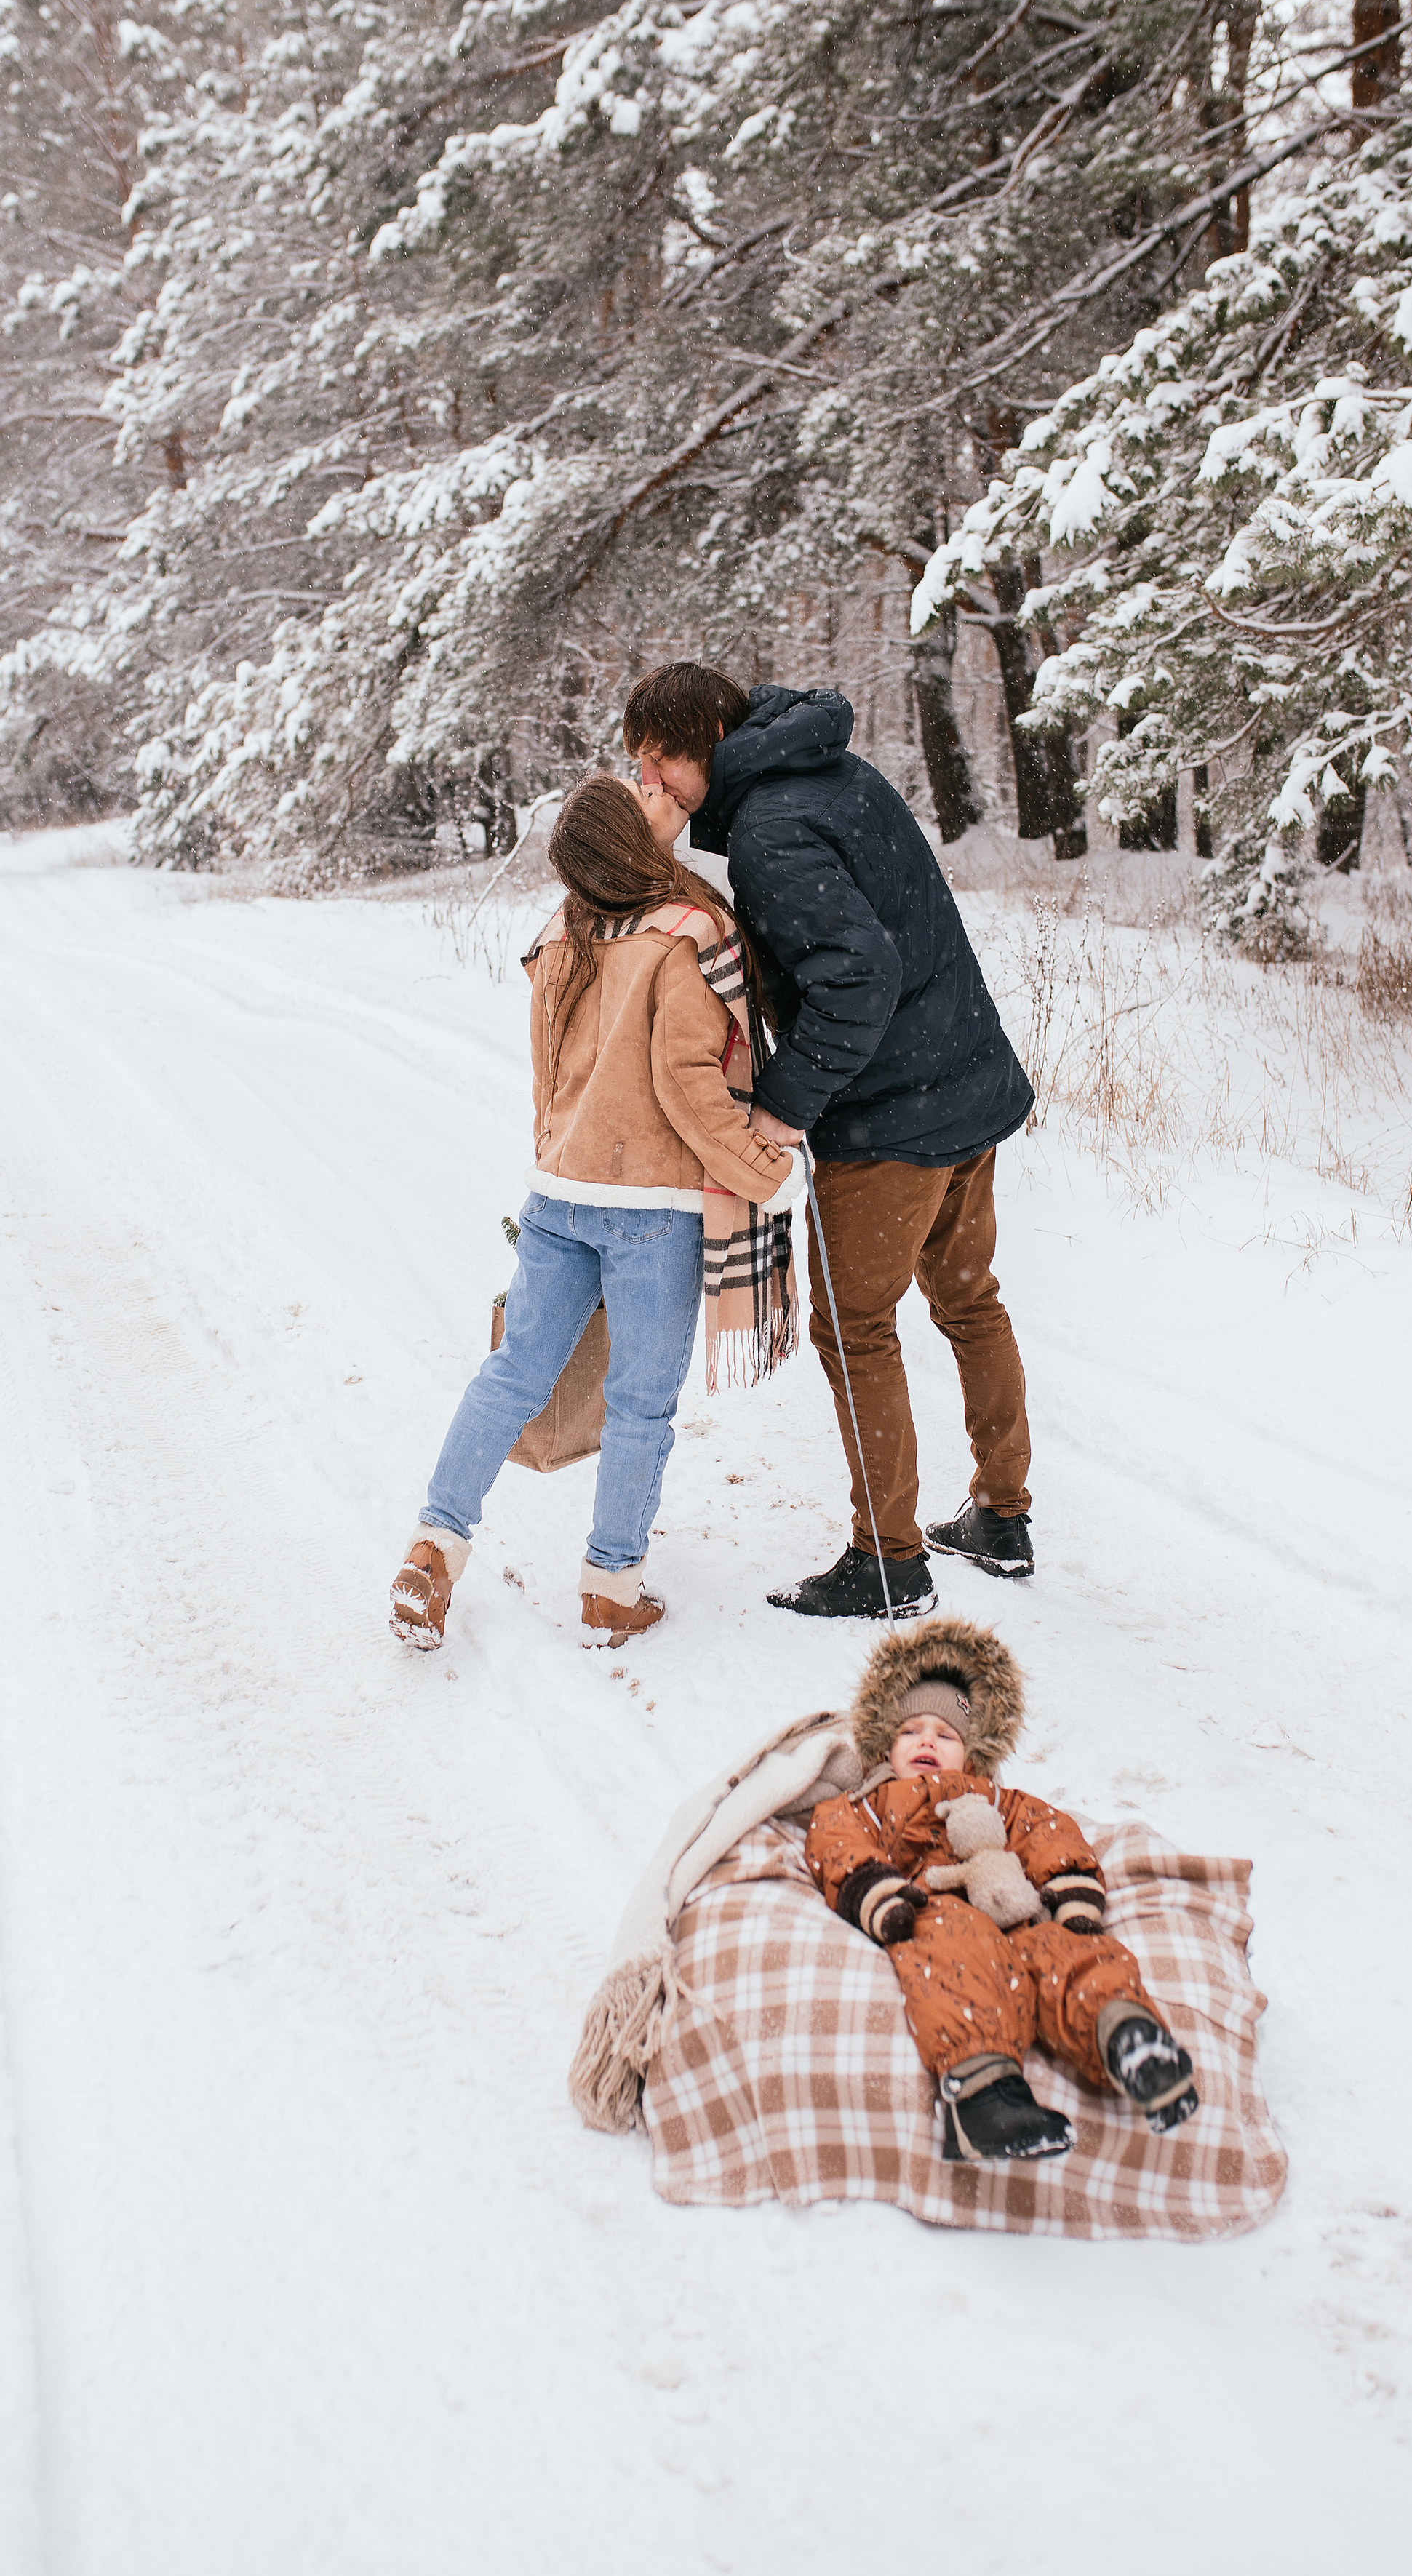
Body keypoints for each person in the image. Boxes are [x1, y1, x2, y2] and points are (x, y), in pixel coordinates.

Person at [624, 660, 1037, 1618]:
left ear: (675, 750)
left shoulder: (768, 832)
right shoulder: (824, 772)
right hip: (964, 1081)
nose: (651, 787)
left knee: (854, 1329)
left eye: (652, 767)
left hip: (892, 1119)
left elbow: (859, 978)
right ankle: (1002, 1518)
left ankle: (889, 1563)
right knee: (970, 1299)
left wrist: (783, 1106)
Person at [390, 777, 794, 1655]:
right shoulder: (684, 936)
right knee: (639, 1405)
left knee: (512, 1376)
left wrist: (560, 1151)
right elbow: (690, 1090)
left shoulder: (562, 931)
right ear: (630, 845)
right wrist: (769, 1174)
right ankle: (612, 1587)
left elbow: (546, 1077)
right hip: (652, 1209)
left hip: (559, 1191)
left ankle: (434, 1545)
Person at [804, 1617, 1199, 2162]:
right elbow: (835, 1839)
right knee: (957, 1956)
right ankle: (984, 2095)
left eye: (945, 1735)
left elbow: (1046, 1829)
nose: (927, 1741)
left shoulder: (998, 1800)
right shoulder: (872, 1801)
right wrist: (878, 1892)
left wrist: (1070, 1892)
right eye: (910, 1731)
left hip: (1016, 1912)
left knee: (1071, 1953)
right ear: (884, 1745)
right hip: (935, 1909)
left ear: (971, 1753)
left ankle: (1126, 2037)